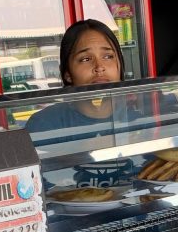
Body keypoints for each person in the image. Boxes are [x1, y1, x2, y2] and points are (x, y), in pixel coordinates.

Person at [25, 19, 131, 150]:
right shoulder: (43, 125)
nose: (99, 67)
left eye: (108, 56)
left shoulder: (140, 120)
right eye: (85, 59)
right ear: (67, 74)